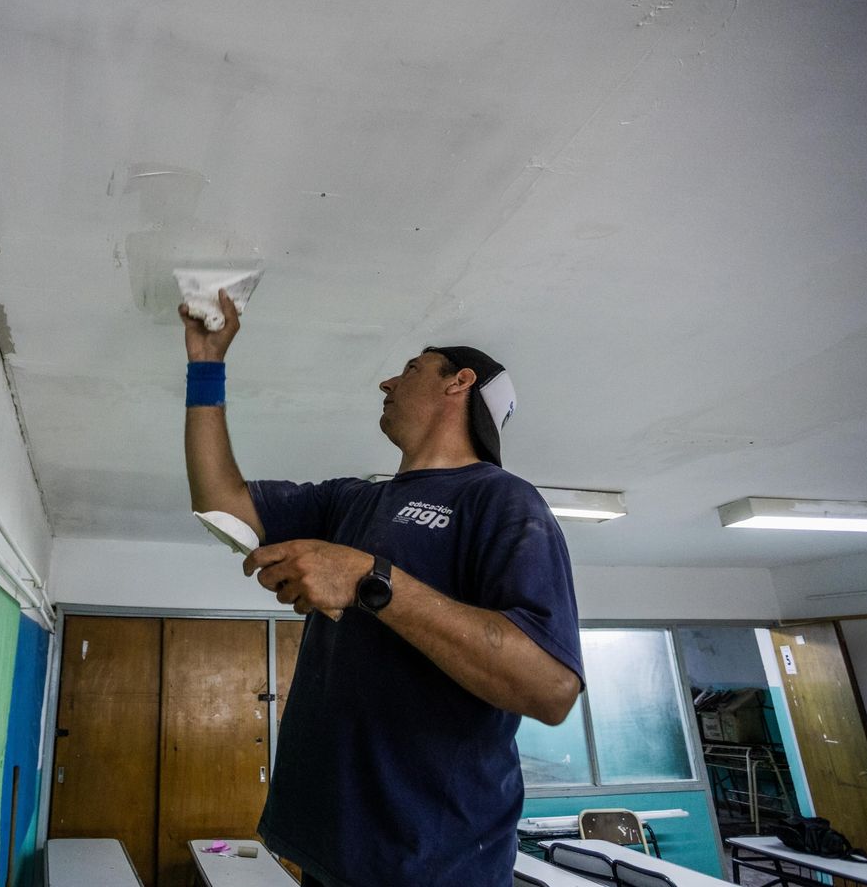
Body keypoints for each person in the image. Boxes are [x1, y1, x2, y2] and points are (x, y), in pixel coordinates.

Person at [181, 290, 584, 887]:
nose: (387, 383)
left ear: (459, 382)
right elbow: (222, 505)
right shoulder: (353, 500)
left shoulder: (501, 500)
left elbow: (551, 688)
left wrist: (371, 579)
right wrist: (205, 366)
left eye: (412, 369)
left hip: (431, 865)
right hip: (331, 850)